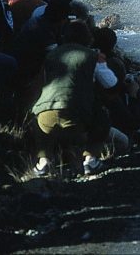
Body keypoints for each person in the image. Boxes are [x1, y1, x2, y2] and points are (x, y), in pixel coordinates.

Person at [31, 20, 118, 177]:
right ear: (88, 38)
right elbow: (110, 83)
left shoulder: (51, 55)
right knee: (102, 117)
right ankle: (91, 160)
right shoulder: (94, 56)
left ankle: (43, 163)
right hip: (77, 114)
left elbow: (38, 84)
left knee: (42, 128)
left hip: (44, 115)